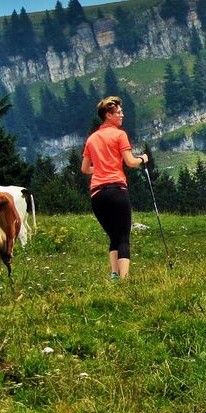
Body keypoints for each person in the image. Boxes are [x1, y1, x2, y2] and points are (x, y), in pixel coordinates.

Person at [81, 96, 148, 280]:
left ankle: (114, 275)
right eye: (118, 112)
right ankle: (124, 280)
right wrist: (142, 158)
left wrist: (100, 168)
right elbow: (130, 162)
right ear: (108, 115)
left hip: (97, 195)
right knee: (123, 237)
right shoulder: (120, 135)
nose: (122, 115)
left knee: (114, 236)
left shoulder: (92, 139)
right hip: (117, 190)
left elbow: (85, 169)